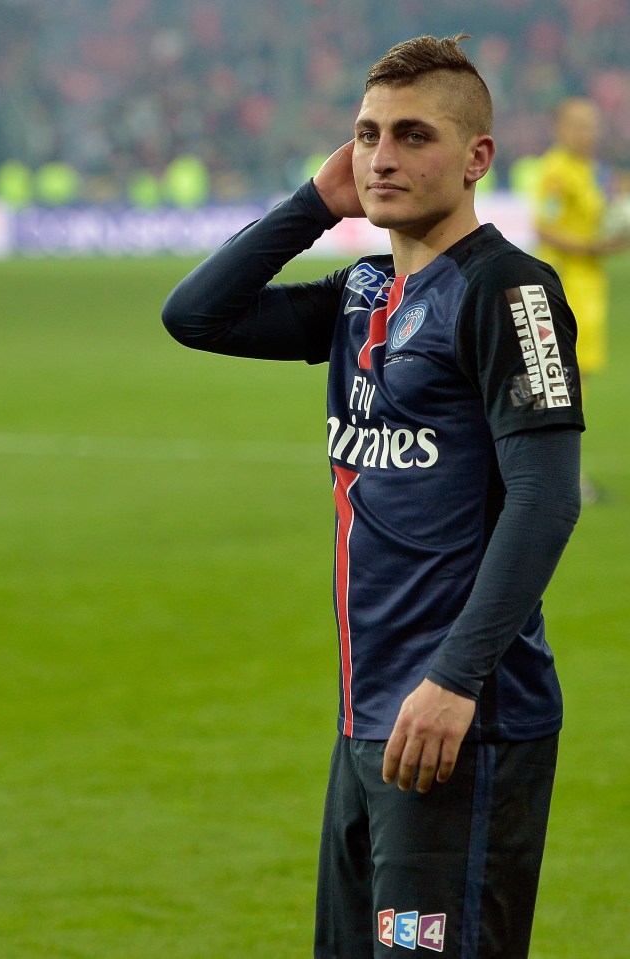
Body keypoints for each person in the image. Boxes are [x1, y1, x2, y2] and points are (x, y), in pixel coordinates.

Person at [163, 34, 584, 959]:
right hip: (368, 722)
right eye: (365, 135)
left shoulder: (508, 291)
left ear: (477, 156)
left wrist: (453, 678)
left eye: (411, 135)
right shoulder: (364, 291)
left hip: (463, 722)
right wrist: (315, 203)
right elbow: (195, 316)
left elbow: (546, 500)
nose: (382, 156)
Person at [534, 97, 628, 502]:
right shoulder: (556, 172)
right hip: (565, 286)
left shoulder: (591, 173)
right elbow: (546, 226)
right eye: (578, 125)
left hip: (589, 289)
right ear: (559, 128)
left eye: (591, 125)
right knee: (561, 384)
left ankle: (560, 471)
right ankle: (557, 474)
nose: (587, 133)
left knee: (575, 384)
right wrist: (592, 246)